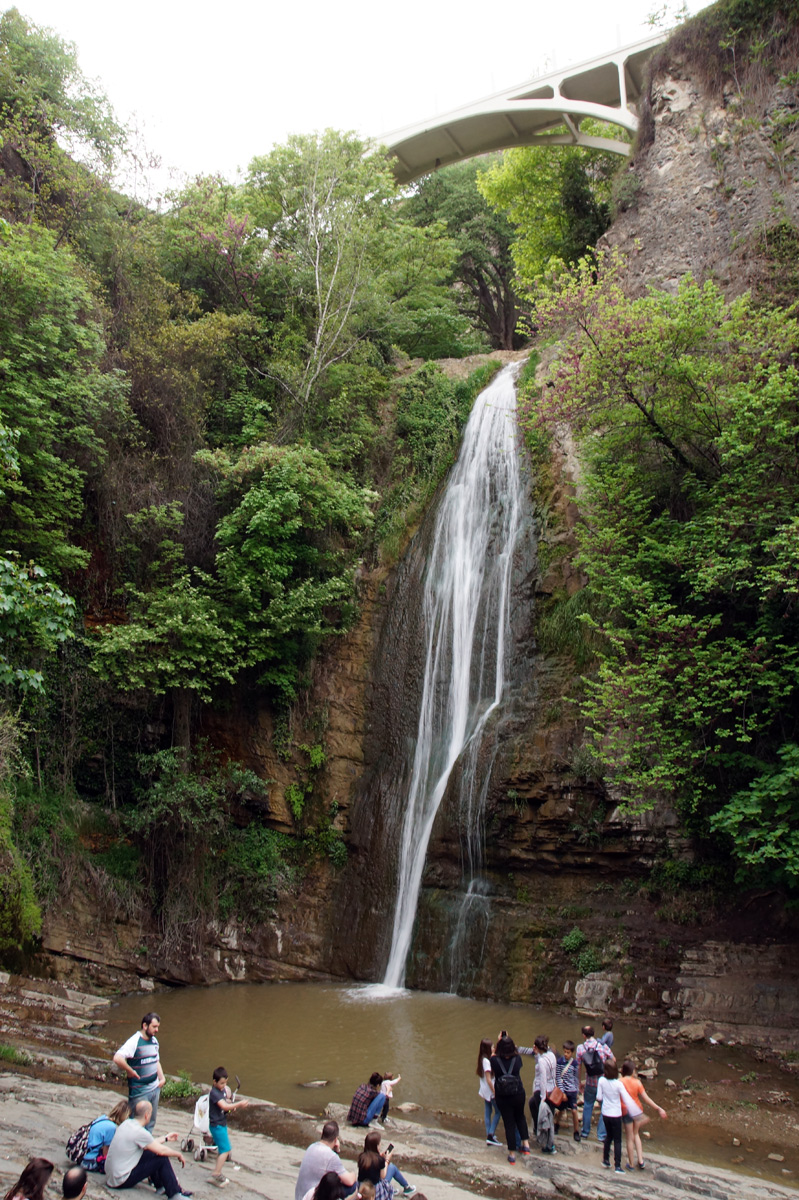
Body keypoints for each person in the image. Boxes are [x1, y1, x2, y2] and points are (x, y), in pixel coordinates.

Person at [104, 1098, 191, 1199]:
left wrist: (166, 1138)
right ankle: (174, 1194)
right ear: (147, 1115)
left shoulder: (127, 1124)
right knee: (161, 1159)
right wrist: (178, 1154)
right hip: (120, 1180)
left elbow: (150, 1144)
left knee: (152, 1152)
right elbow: (161, 1151)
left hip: (112, 1177)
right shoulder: (140, 1132)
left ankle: (161, 1186)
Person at [113, 1012, 165, 1133]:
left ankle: (147, 1147)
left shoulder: (154, 1041)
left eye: (158, 1027)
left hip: (154, 1088)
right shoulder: (134, 1041)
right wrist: (130, 1070)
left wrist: (162, 1078)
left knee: (151, 1122)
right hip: (139, 1091)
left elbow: (156, 1060)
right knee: (137, 1124)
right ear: (145, 1026)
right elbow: (117, 1058)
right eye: (154, 1027)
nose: (157, 1030)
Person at [489, 1033, 531, 1164]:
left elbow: (493, 1063)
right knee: (520, 1117)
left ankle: (512, 1154)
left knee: (509, 1124)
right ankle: (526, 1145)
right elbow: (515, 1056)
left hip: (503, 1096)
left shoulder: (494, 1060)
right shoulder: (517, 1059)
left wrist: (497, 1045)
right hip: (518, 1093)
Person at [621, 1059, 667, 1171]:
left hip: (626, 1111)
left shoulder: (620, 1081)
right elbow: (646, 1099)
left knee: (629, 1137)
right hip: (637, 1110)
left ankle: (631, 1164)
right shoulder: (637, 1082)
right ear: (632, 1072)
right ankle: (641, 1160)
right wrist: (658, 1108)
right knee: (636, 1134)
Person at [208, 1066, 250, 1188]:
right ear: (214, 1082)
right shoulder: (214, 1093)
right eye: (221, 1083)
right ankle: (216, 1173)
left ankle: (217, 1170)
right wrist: (239, 1104)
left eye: (225, 1083)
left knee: (224, 1149)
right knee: (226, 1150)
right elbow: (224, 1106)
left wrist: (231, 1105)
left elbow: (226, 1106)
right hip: (217, 1125)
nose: (224, 1085)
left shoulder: (221, 1091)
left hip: (221, 1123)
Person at [295, 1120, 357, 1200]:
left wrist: (335, 1152)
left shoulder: (311, 1147)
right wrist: (354, 1174)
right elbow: (349, 1181)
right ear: (335, 1140)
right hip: (316, 1196)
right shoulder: (331, 1156)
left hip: (301, 1196)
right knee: (353, 1186)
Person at [576, 1024, 613, 1140]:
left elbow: (578, 1067)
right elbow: (613, 1059)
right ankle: (601, 1135)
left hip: (590, 1082)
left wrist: (579, 1083)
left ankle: (585, 1132)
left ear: (583, 1035)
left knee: (588, 1105)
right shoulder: (602, 1046)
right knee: (604, 1107)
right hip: (603, 1082)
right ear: (593, 1034)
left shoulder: (580, 1048)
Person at [520, 1035, 556, 1143]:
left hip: (543, 1091)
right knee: (532, 1104)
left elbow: (543, 1079)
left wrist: (543, 1097)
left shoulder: (541, 1061)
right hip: (552, 1089)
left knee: (544, 1116)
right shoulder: (551, 1055)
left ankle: (547, 1142)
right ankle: (538, 1130)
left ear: (536, 1047)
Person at [596, 1061, 629, 1174]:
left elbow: (599, 1097)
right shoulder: (618, 1084)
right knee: (618, 1140)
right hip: (616, 1114)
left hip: (605, 1113)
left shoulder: (601, 1081)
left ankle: (605, 1160)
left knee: (608, 1137)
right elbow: (625, 1098)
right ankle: (618, 1165)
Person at [82, 1099, 131, 1172]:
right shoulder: (111, 1128)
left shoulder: (103, 1118)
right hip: (90, 1162)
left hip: (84, 1157)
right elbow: (106, 1153)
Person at [363, 1131, 416, 1196]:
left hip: (366, 1186)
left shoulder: (363, 1156)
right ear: (376, 1146)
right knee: (391, 1167)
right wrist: (387, 1159)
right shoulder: (378, 1160)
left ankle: (395, 1188)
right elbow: (383, 1175)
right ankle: (406, 1187)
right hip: (376, 1189)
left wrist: (381, 1156)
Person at [553, 1040, 580, 1142]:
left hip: (572, 1091)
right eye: (564, 1052)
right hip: (563, 1091)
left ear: (572, 1053)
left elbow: (576, 1078)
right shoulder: (560, 1062)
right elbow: (558, 1077)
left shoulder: (575, 1063)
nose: (566, 1054)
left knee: (574, 1111)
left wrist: (577, 1090)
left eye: (568, 1052)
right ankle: (556, 1125)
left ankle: (576, 1131)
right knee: (561, 1110)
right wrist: (562, 1091)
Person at [477, 1038, 501, 1145]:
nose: (493, 1048)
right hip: (489, 1090)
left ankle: (489, 1134)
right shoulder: (486, 1061)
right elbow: (488, 1079)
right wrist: (495, 1091)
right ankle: (490, 1135)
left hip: (484, 1090)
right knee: (498, 1111)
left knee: (488, 1111)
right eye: (492, 1047)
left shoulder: (482, 1059)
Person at [596, 1017, 615, 1143]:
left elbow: (602, 1042)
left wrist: (596, 1039)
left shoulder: (607, 1035)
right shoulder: (611, 1034)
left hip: (605, 1054)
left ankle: (601, 1134)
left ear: (604, 1027)